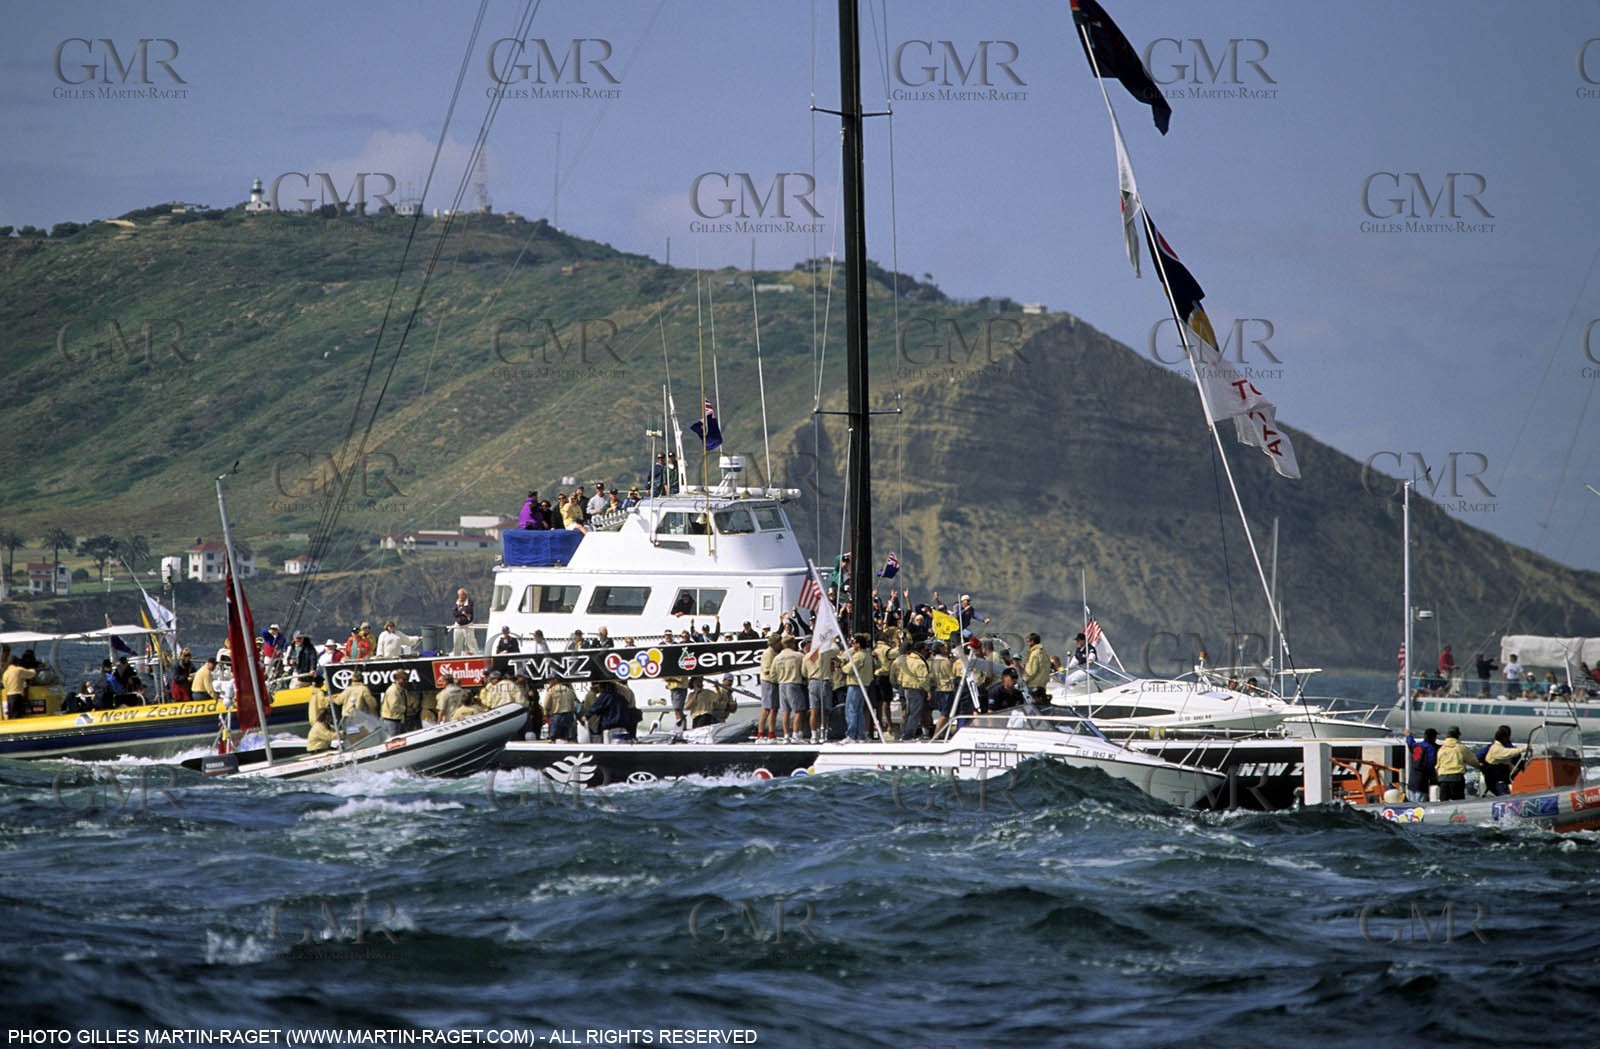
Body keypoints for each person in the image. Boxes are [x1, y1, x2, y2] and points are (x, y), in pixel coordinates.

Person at [772, 637, 806, 743]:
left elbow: (773, 675)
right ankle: (796, 735)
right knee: (799, 710)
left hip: (781, 685)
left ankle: (786, 736)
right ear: (792, 644)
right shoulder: (798, 656)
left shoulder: (777, 658)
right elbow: (805, 670)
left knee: (786, 711)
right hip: (794, 684)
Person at [1434, 726, 1480, 801]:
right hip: (1456, 778)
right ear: (1457, 735)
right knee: (1458, 804)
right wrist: (1480, 766)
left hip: (1443, 779)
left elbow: (1437, 765)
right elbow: (1473, 761)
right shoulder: (1460, 747)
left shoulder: (1441, 749)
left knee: (1444, 804)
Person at [896, 642, 930, 742]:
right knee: (915, 713)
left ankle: (905, 733)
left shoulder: (906, 660)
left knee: (910, 712)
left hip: (906, 688)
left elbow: (900, 675)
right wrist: (927, 690)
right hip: (916, 689)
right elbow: (923, 678)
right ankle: (908, 735)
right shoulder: (919, 662)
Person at [1481, 724, 1523, 796]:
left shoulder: (1494, 746)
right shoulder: (1497, 748)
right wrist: (1523, 749)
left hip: (1500, 778)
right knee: (1504, 795)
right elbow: (1506, 753)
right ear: (1504, 737)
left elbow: (1506, 761)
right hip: (1497, 779)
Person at [756, 635, 783, 742]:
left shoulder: (776, 653)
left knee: (774, 709)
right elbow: (767, 670)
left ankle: (771, 733)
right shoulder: (768, 654)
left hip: (774, 682)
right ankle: (760, 734)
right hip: (768, 682)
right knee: (767, 709)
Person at [1404, 726, 1438, 802]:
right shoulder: (1430, 748)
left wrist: (1408, 735)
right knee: (1420, 805)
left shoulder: (1416, 746)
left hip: (1412, 780)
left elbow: (1410, 743)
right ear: (1432, 737)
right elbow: (1430, 764)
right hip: (1422, 781)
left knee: (1412, 804)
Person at [380, 670, 418, 734]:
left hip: (399, 719)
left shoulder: (401, 689)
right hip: (391, 721)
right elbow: (393, 707)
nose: (406, 682)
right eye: (404, 679)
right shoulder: (393, 690)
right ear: (399, 679)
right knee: (393, 741)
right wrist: (406, 709)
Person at [1023, 632, 1051, 706]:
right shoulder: (1044, 653)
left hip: (1034, 685)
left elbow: (1031, 671)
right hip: (1042, 685)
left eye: (1028, 642)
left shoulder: (1034, 653)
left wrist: (1024, 680)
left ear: (1032, 641)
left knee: (1032, 706)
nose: (1027, 644)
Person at [450, 588, 475, 655]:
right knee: (457, 643)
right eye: (460, 595)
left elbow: (468, 611)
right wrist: (462, 613)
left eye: (463, 595)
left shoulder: (469, 602)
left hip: (467, 625)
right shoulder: (456, 603)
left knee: (471, 642)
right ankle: (456, 656)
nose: (461, 596)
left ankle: (475, 654)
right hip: (458, 625)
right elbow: (454, 613)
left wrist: (461, 612)